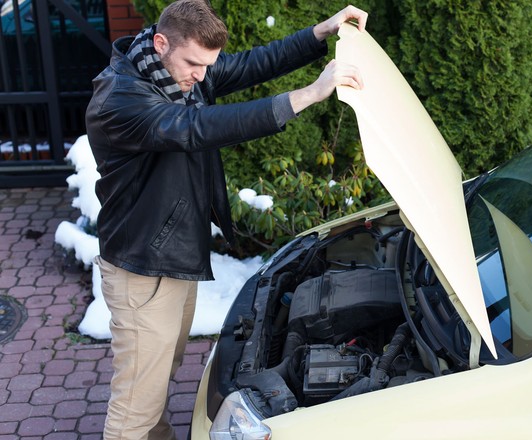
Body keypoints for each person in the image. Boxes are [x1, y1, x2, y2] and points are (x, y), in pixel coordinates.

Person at [84, 1, 367, 438]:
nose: (201, 75)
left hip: (171, 254)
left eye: (207, 65)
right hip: (143, 267)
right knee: (135, 405)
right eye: (194, 64)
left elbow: (253, 64)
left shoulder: (174, 68)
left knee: (157, 377)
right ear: (162, 43)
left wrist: (321, 32)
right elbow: (198, 127)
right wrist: (309, 94)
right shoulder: (121, 100)